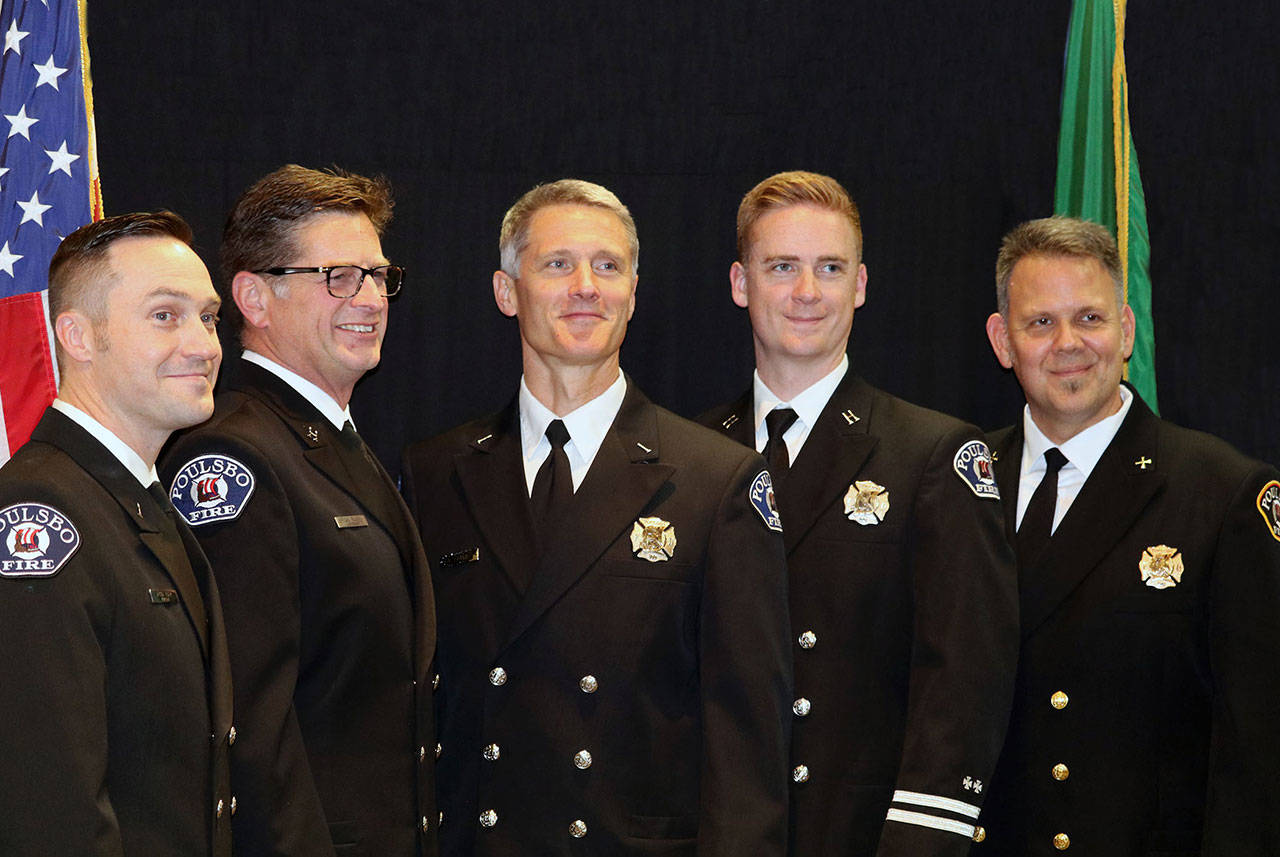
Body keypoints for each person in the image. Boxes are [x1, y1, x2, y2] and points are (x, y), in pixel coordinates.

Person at [401, 179, 792, 856]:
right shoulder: (437, 473)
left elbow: (748, 746)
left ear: (633, 293)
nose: (586, 285)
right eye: (557, 264)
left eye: (608, 266)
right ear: (505, 291)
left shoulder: (715, 479)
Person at [699, 171, 1018, 856]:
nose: (806, 292)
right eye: (781, 267)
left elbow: (963, 682)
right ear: (739, 282)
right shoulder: (689, 455)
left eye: (830, 268)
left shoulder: (933, 455)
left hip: (863, 837)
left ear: (862, 285)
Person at [981, 215, 1280, 855]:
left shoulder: (1221, 493)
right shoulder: (958, 485)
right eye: (1040, 323)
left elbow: (1258, 752)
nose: (1068, 343)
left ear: (1127, 332)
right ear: (1003, 341)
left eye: (1090, 318)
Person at [160, 165, 437, 856]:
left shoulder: (332, 442)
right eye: (338, 276)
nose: (370, 299)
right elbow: (249, 729)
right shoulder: (234, 458)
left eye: (378, 276)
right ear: (255, 295)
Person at [0, 211, 232, 855]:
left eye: (209, 317)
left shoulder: (132, 498)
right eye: (165, 316)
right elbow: (48, 802)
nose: (204, 345)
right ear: (76, 335)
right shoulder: (41, 508)